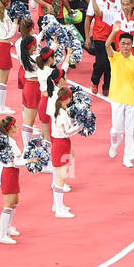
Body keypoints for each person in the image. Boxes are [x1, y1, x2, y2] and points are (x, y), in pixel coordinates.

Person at [107, 29, 134, 168]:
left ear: (132, 45)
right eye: (123, 44)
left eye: (128, 44)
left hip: (131, 100)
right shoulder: (114, 57)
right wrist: (114, 31)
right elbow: (106, 45)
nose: (126, 46)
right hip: (116, 98)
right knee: (116, 129)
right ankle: (114, 145)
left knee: (131, 130)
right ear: (119, 44)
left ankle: (128, 157)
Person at [0, 115, 23, 244]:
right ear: (11, 128)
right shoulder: (9, 142)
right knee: (8, 204)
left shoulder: (7, 140)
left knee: (15, 201)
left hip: (13, 173)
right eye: (15, 125)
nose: (17, 126)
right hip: (10, 172)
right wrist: (30, 161)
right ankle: (2, 234)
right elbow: (15, 161)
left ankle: (8, 227)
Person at [48, 87, 77, 218]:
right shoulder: (61, 113)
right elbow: (67, 132)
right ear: (66, 99)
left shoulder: (61, 111)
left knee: (60, 177)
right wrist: (81, 126)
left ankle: (57, 205)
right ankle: (59, 210)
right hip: (61, 145)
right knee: (61, 178)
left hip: (62, 145)